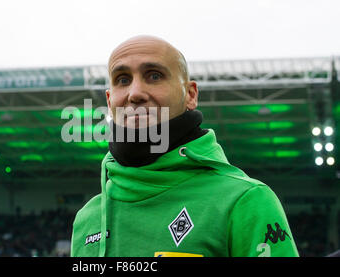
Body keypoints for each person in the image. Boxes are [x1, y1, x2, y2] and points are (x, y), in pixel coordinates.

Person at [70, 35, 299, 257]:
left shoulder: (246, 200)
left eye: (154, 76)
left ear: (190, 95)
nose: (135, 93)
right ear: (110, 101)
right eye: (122, 79)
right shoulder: (87, 218)